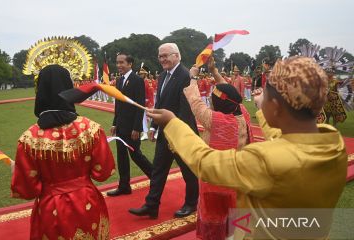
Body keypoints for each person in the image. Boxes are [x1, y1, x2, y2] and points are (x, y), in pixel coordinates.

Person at [147, 57, 347, 239]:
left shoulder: (265, 160)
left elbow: (206, 163)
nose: (259, 99)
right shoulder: (332, 142)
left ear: (276, 107)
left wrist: (172, 123)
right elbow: (279, 135)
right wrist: (262, 110)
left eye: (265, 95)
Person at [11, 65, 115, 240]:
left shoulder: (29, 139)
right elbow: (103, 172)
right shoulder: (91, 129)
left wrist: (17, 170)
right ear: (69, 88)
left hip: (51, 208)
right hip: (87, 202)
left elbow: (27, 190)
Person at [129, 43, 199, 219]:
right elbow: (159, 104)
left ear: (177, 56)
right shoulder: (162, 76)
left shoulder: (185, 76)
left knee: (188, 172)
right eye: (160, 56)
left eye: (166, 55)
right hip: (165, 133)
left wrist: (178, 133)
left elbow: (186, 110)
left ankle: (191, 203)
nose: (162, 59)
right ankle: (152, 205)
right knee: (158, 171)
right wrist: (153, 126)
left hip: (182, 134)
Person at [186, 58, 254, 240]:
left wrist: (192, 78)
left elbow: (195, 102)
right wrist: (215, 72)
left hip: (216, 180)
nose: (210, 102)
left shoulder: (215, 120)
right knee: (235, 219)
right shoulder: (243, 114)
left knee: (215, 221)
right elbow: (230, 93)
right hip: (239, 177)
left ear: (219, 104)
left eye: (212, 100)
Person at [107, 53, 153, 197]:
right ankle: (124, 186)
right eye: (117, 62)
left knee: (136, 155)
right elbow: (118, 105)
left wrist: (137, 128)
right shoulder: (119, 81)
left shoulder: (137, 80)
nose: (119, 65)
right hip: (120, 126)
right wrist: (115, 123)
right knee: (121, 156)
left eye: (122, 62)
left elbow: (139, 106)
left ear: (130, 64)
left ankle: (156, 177)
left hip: (132, 127)